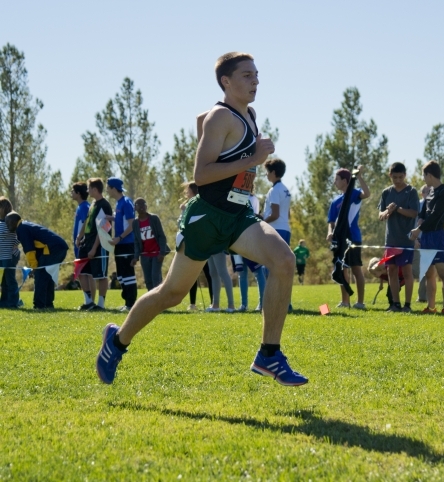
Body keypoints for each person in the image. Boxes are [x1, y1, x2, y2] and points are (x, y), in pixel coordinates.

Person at [96, 52, 307, 386]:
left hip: (239, 216)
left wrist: (242, 157)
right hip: (207, 217)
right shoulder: (220, 119)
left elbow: (202, 122)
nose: (255, 81)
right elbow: (202, 174)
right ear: (226, 81)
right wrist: (253, 157)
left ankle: (269, 354)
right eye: (246, 76)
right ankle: (117, 341)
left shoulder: (247, 114)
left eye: (256, 75)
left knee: (283, 261)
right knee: (171, 294)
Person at [409, 160, 444, 314]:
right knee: (428, 272)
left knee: (442, 272)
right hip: (426, 236)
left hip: (437, 236)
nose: (423, 178)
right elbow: (424, 212)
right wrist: (420, 220)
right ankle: (431, 306)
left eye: (424, 175)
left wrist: (418, 229)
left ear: (430, 175)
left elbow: (435, 216)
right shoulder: (430, 191)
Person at [327, 165, 370, 308]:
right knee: (342, 269)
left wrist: (359, 176)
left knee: (356, 269)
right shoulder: (335, 201)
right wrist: (330, 232)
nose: (335, 182)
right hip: (339, 240)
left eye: (337, 179)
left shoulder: (354, 193)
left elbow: (367, 193)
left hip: (354, 237)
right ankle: (345, 301)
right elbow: (331, 222)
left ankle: (360, 302)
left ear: (345, 181)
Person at [378, 162, 419, 312]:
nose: (398, 180)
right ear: (390, 176)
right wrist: (387, 212)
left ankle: (407, 305)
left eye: (400, 177)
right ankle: (395, 303)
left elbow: (414, 213)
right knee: (392, 271)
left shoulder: (411, 191)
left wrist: (397, 209)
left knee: (407, 272)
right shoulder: (386, 193)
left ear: (405, 175)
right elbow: (381, 215)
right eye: (395, 177)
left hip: (406, 240)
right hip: (391, 240)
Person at [6, 212, 69, 309]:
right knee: (48, 275)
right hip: (59, 248)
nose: (7, 225)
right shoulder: (25, 225)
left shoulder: (21, 229)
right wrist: (34, 266)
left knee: (41, 275)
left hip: (53, 249)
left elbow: (29, 250)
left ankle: (39, 305)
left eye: (8, 223)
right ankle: (48, 304)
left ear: (13, 221)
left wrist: (34, 267)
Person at [76, 178, 112, 311]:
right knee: (81, 271)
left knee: (100, 275)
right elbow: (86, 221)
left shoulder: (105, 205)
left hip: (99, 245)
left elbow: (103, 229)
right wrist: (80, 236)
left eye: (89, 188)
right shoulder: (92, 204)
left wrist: (94, 248)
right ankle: (88, 301)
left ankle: (100, 304)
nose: (87, 190)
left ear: (95, 189)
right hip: (87, 242)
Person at [263, 158, 293, 311]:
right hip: (285, 228)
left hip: (275, 229)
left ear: (274, 173)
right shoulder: (286, 189)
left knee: (271, 268)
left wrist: (263, 221)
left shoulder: (274, 190)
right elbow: (286, 214)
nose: (266, 175)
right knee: (283, 268)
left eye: (268, 172)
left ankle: (275, 303)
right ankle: (286, 303)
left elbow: (274, 214)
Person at [106, 177, 137, 312]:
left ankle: (131, 304)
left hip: (126, 243)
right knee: (121, 275)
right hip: (120, 243)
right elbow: (121, 220)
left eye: (108, 187)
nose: (107, 190)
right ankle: (127, 302)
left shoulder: (126, 202)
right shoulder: (118, 203)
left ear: (113, 188)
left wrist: (119, 238)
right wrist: (109, 218)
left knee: (128, 274)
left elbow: (131, 225)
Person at [180, 182, 213, 311]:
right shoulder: (188, 205)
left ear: (193, 192)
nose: (186, 193)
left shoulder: (196, 205)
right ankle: (192, 304)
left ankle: (213, 302)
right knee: (192, 275)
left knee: (209, 274)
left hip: (202, 243)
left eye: (188, 191)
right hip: (192, 244)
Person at [131, 198, 170, 291]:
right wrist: (136, 257)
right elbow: (136, 241)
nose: (141, 207)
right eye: (138, 205)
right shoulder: (135, 223)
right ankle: (151, 302)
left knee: (155, 278)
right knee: (148, 281)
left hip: (157, 254)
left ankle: (159, 300)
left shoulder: (154, 218)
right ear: (135, 208)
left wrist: (162, 252)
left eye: (143, 204)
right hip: (144, 255)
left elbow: (161, 236)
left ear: (146, 206)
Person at [238, 187, 266, 311]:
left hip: (251, 238)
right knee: (242, 273)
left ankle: (262, 303)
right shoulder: (237, 197)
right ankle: (243, 304)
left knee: (258, 272)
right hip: (239, 238)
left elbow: (253, 216)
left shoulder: (252, 199)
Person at [71, 182, 96, 309]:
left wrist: (81, 240)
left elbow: (87, 226)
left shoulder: (85, 207)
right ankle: (88, 301)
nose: (71, 193)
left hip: (84, 245)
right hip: (79, 245)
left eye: (73, 191)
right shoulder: (80, 207)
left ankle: (91, 301)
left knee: (87, 273)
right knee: (81, 273)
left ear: (78, 193)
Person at [0, 197, 21, 308]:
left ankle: (13, 302)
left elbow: (20, 235)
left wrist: (15, 244)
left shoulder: (11, 221)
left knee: (10, 280)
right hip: (1, 257)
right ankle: (4, 302)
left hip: (9, 256)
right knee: (3, 282)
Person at [412, 185, 430, 302]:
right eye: (427, 192)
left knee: (425, 269)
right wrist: (414, 239)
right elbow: (413, 223)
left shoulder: (433, 206)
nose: (430, 194)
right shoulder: (417, 205)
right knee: (413, 269)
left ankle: (422, 296)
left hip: (428, 241)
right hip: (416, 241)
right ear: (422, 193)